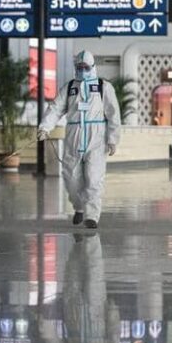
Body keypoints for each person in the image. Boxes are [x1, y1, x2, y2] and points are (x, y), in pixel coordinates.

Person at [38, 50, 121, 229]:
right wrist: (45, 127)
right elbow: (55, 109)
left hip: (96, 138)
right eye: (79, 67)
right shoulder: (69, 88)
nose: (82, 70)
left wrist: (113, 139)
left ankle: (92, 216)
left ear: (93, 67)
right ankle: (79, 207)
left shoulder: (103, 87)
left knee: (94, 178)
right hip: (74, 137)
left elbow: (113, 114)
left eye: (86, 67)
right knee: (71, 179)